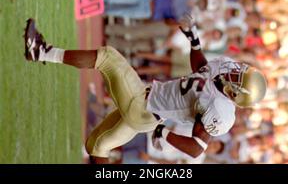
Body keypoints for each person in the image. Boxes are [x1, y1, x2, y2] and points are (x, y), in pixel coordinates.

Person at [23, 14, 267, 163]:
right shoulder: (221, 72)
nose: (236, 70)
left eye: (238, 76)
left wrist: (164, 134)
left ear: (236, 93)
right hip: (146, 111)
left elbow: (196, 149)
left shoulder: (221, 110)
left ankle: (42, 51)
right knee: (96, 146)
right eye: (241, 70)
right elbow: (202, 68)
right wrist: (193, 39)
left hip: (145, 109)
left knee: (108, 57)